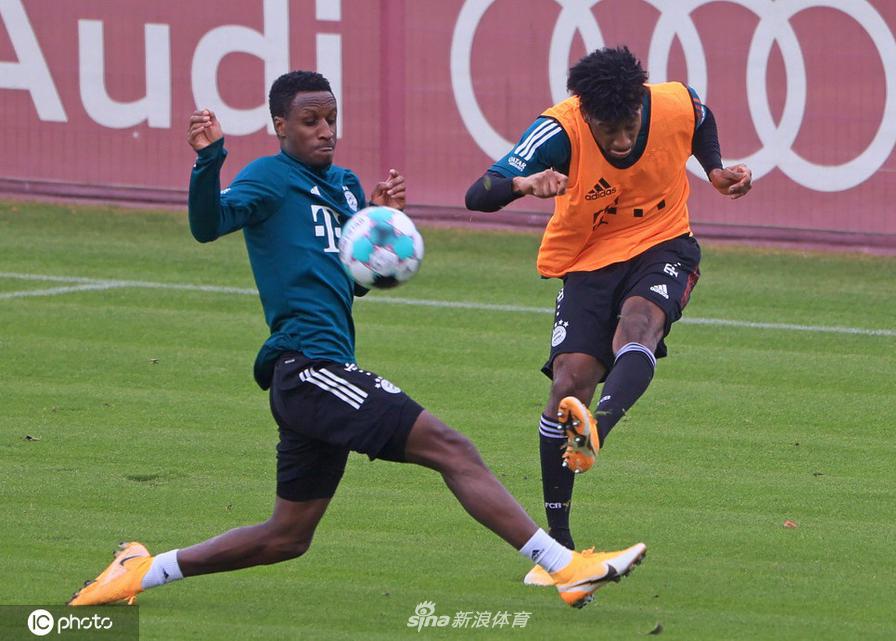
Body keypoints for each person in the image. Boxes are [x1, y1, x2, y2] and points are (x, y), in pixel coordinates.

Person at [67, 71, 646, 611]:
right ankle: (563, 566)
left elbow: (350, 283)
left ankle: (141, 571)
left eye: (331, 119)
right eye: (310, 121)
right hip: (307, 368)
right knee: (451, 447)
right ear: (280, 126)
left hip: (322, 373)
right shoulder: (268, 178)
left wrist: (375, 228)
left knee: (287, 537)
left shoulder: (345, 187)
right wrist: (208, 159)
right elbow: (206, 225)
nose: (325, 131)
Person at [465, 47, 751, 585]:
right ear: (585, 113)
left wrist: (714, 170)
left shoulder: (672, 102)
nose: (621, 141)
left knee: (640, 325)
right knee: (569, 382)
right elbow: (476, 195)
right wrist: (525, 184)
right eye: (608, 130)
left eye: (629, 126)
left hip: (664, 240)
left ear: (641, 104)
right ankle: (561, 549)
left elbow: (701, 117)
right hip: (588, 257)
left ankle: (595, 429)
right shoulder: (559, 130)